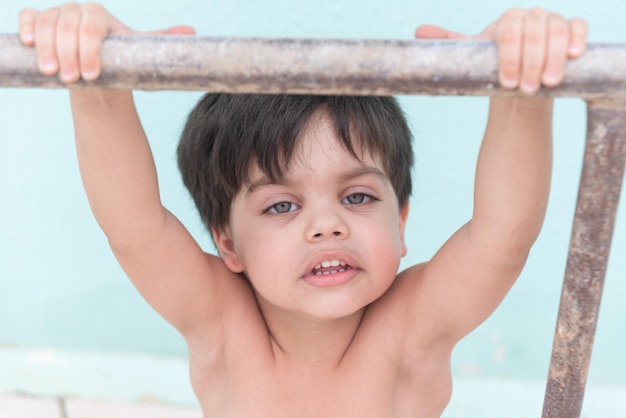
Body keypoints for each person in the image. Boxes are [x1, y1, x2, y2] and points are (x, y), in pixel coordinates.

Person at [18, 4, 587, 417]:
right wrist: (93, 80)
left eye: (358, 197)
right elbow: (135, 229)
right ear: (229, 243)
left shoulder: (412, 330)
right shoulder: (223, 324)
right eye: (282, 205)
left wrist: (521, 89)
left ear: (402, 221)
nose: (327, 225)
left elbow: (502, 238)